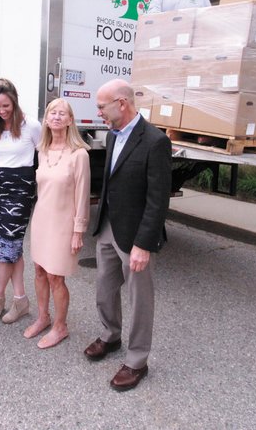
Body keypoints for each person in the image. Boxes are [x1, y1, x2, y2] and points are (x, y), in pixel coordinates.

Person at [84, 79, 172, 391]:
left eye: (101, 107)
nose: (98, 113)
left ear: (122, 103)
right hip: (108, 227)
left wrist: (144, 245)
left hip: (135, 236)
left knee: (140, 299)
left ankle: (137, 360)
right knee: (105, 289)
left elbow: (158, 199)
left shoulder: (154, 141)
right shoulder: (112, 135)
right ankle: (110, 335)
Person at [23, 98, 90, 349]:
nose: (57, 117)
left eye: (63, 113)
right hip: (41, 219)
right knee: (39, 270)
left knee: (55, 277)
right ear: (46, 119)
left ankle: (60, 327)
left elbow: (82, 196)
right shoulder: (42, 150)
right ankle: (43, 317)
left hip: (63, 224)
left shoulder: (79, 154)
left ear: (70, 120)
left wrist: (78, 231)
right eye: (52, 112)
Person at [0, 79, 42, 324]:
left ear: (15, 101)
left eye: (6, 105)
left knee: (8, 245)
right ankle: (20, 300)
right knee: (6, 247)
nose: (2, 110)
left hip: (20, 191)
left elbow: (45, 157)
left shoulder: (32, 126)